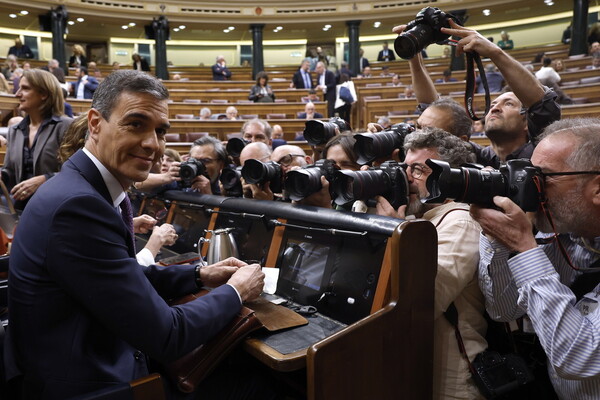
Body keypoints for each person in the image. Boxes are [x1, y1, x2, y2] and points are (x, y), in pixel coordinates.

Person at [5, 69, 269, 399]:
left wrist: (201, 275)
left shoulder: (82, 188)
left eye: (160, 131)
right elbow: (169, 335)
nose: (152, 144)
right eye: (136, 124)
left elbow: (122, 276)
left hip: (73, 365)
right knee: (258, 383)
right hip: (91, 386)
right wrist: (235, 291)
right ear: (95, 124)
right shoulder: (79, 206)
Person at [470, 118, 600, 399]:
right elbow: (504, 311)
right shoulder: (561, 236)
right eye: (529, 175)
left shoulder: (540, 240)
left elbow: (578, 358)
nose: (531, 188)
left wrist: (525, 248)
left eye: (543, 178)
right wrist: (501, 242)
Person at [374, 128, 485, 400]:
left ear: (449, 177)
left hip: (451, 381)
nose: (407, 179)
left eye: (418, 171)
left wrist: (391, 229)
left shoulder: (460, 221)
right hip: (417, 370)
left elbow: (424, 301)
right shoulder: (423, 217)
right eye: (405, 169)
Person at [398, 20, 560, 168]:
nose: (495, 108)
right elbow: (433, 109)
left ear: (527, 123)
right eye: (493, 104)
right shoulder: (477, 156)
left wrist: (495, 53)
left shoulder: (541, 151)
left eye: (508, 104)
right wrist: (414, 56)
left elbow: (541, 105)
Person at [58, 115, 178, 266]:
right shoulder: (85, 201)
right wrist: (156, 242)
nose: (151, 145)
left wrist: (126, 226)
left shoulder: (90, 188)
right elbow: (120, 278)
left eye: (160, 132)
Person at [1, 69, 73, 210]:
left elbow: (78, 172)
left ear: (44, 94)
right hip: (21, 209)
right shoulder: (15, 130)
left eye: (25, 89)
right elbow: (9, 171)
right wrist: (2, 175)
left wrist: (44, 179)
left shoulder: (66, 126)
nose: (17, 94)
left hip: (56, 207)